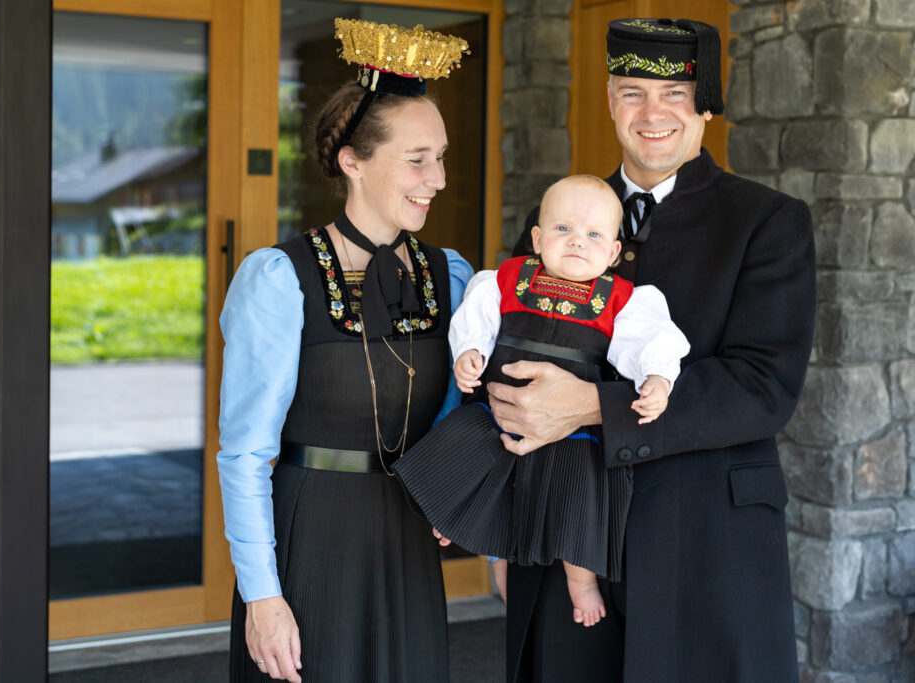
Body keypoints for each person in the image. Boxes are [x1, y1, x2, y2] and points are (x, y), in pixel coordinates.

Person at [490, 18, 816, 683]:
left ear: (703, 107)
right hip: (566, 534)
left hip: (706, 543)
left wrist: (591, 407)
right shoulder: (560, 213)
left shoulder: (767, 222)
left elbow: (761, 387)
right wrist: (500, 515)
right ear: (611, 101)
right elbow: (511, 349)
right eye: (633, 92)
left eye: (674, 94)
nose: (653, 113)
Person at [216, 19, 472, 683]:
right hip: (311, 537)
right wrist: (262, 596)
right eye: (418, 158)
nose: (438, 178)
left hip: (408, 535)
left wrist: (456, 487)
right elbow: (245, 452)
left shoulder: (452, 274)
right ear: (352, 160)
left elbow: (456, 410)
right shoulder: (278, 278)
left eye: (441, 156)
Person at [393, 174, 688, 628]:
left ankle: (581, 581)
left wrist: (658, 379)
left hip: (572, 431)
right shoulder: (508, 279)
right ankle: (458, 520)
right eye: (563, 229)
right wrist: (471, 352)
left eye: (593, 235)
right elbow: (477, 318)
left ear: (612, 252)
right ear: (536, 238)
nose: (576, 242)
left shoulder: (622, 300)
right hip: (501, 413)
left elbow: (653, 342)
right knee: (467, 464)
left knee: (576, 503)